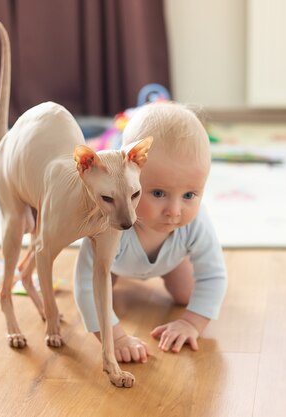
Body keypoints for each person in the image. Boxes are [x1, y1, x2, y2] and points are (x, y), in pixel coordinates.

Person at [74, 102, 227, 363]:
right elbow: (86, 285)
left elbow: (213, 276)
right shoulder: (110, 224)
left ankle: (173, 268)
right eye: (158, 193)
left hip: (172, 260)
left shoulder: (196, 222)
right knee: (102, 291)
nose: (174, 211)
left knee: (187, 296)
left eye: (190, 195)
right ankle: (112, 278)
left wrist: (192, 323)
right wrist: (118, 338)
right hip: (112, 264)